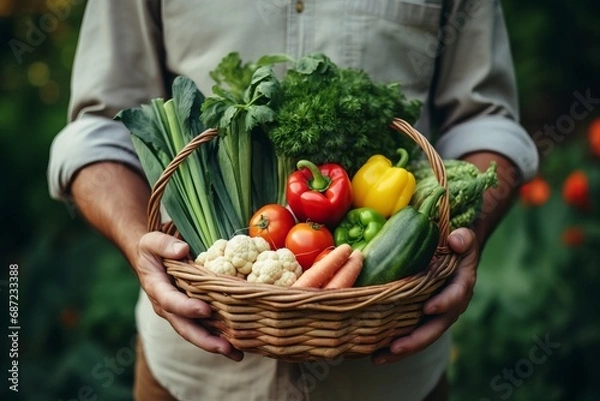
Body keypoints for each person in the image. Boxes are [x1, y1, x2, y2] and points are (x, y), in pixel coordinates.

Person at [47, 1, 539, 400]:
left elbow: (488, 123)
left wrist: (468, 231)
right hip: (192, 376)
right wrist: (139, 242)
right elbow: (96, 132)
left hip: (392, 375)